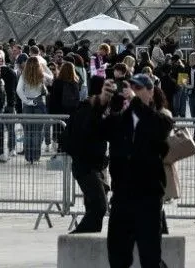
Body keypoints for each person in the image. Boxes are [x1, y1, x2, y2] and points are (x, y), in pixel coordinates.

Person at [103, 73, 172, 268]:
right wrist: (104, 100)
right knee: (117, 256)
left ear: (150, 92)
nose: (132, 91)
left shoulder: (160, 117)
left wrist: (135, 103)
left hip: (147, 198)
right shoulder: (119, 120)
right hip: (122, 196)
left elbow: (158, 129)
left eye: (139, 88)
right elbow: (94, 129)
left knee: (150, 257)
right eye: (130, 87)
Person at [63, 75, 111, 233]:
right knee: (99, 206)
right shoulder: (86, 111)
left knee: (95, 206)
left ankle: (87, 236)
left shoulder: (92, 111)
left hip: (91, 166)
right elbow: (83, 138)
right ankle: (79, 237)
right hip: (85, 166)